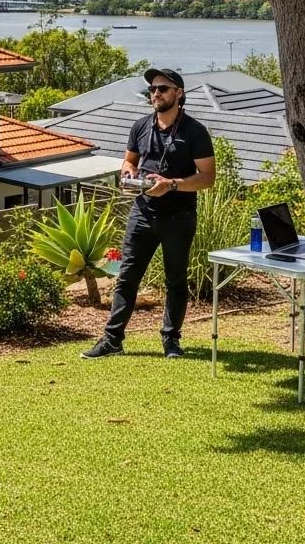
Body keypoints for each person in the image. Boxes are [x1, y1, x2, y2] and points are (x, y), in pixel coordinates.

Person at [82, 67, 216, 360]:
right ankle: (112, 340)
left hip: (179, 216)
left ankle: (171, 341)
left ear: (179, 94)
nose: (156, 94)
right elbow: (129, 161)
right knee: (127, 277)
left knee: (175, 280)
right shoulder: (141, 126)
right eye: (152, 89)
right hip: (142, 213)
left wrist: (171, 185)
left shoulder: (195, 131)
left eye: (163, 89)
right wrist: (128, 174)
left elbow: (207, 178)